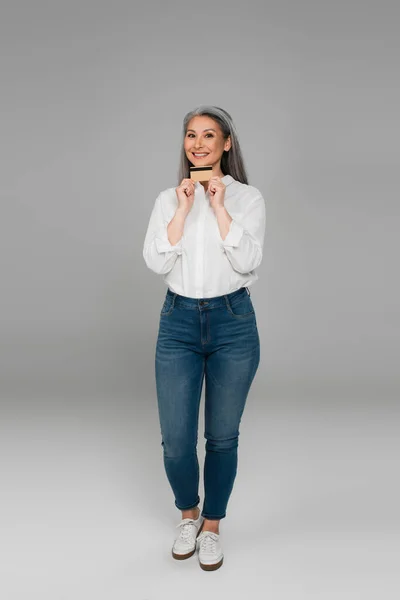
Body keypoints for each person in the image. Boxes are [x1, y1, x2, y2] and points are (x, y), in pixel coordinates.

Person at [142, 105, 266, 571]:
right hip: (178, 323)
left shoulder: (247, 199)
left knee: (221, 436)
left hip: (232, 321)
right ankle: (187, 515)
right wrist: (184, 208)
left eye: (209, 135)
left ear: (226, 143)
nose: (198, 143)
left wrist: (217, 207)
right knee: (175, 440)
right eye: (191, 135)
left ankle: (212, 526)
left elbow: (248, 262)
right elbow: (156, 262)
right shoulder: (167, 199)